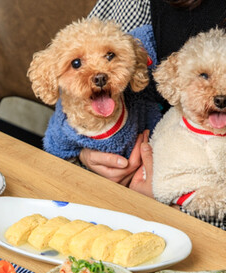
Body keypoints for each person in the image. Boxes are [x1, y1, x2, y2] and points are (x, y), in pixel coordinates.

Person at [83, 0, 226, 197]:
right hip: (112, 183)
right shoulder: (136, 4)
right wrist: (87, 153)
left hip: (196, 202)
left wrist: (175, 198)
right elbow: (72, 73)